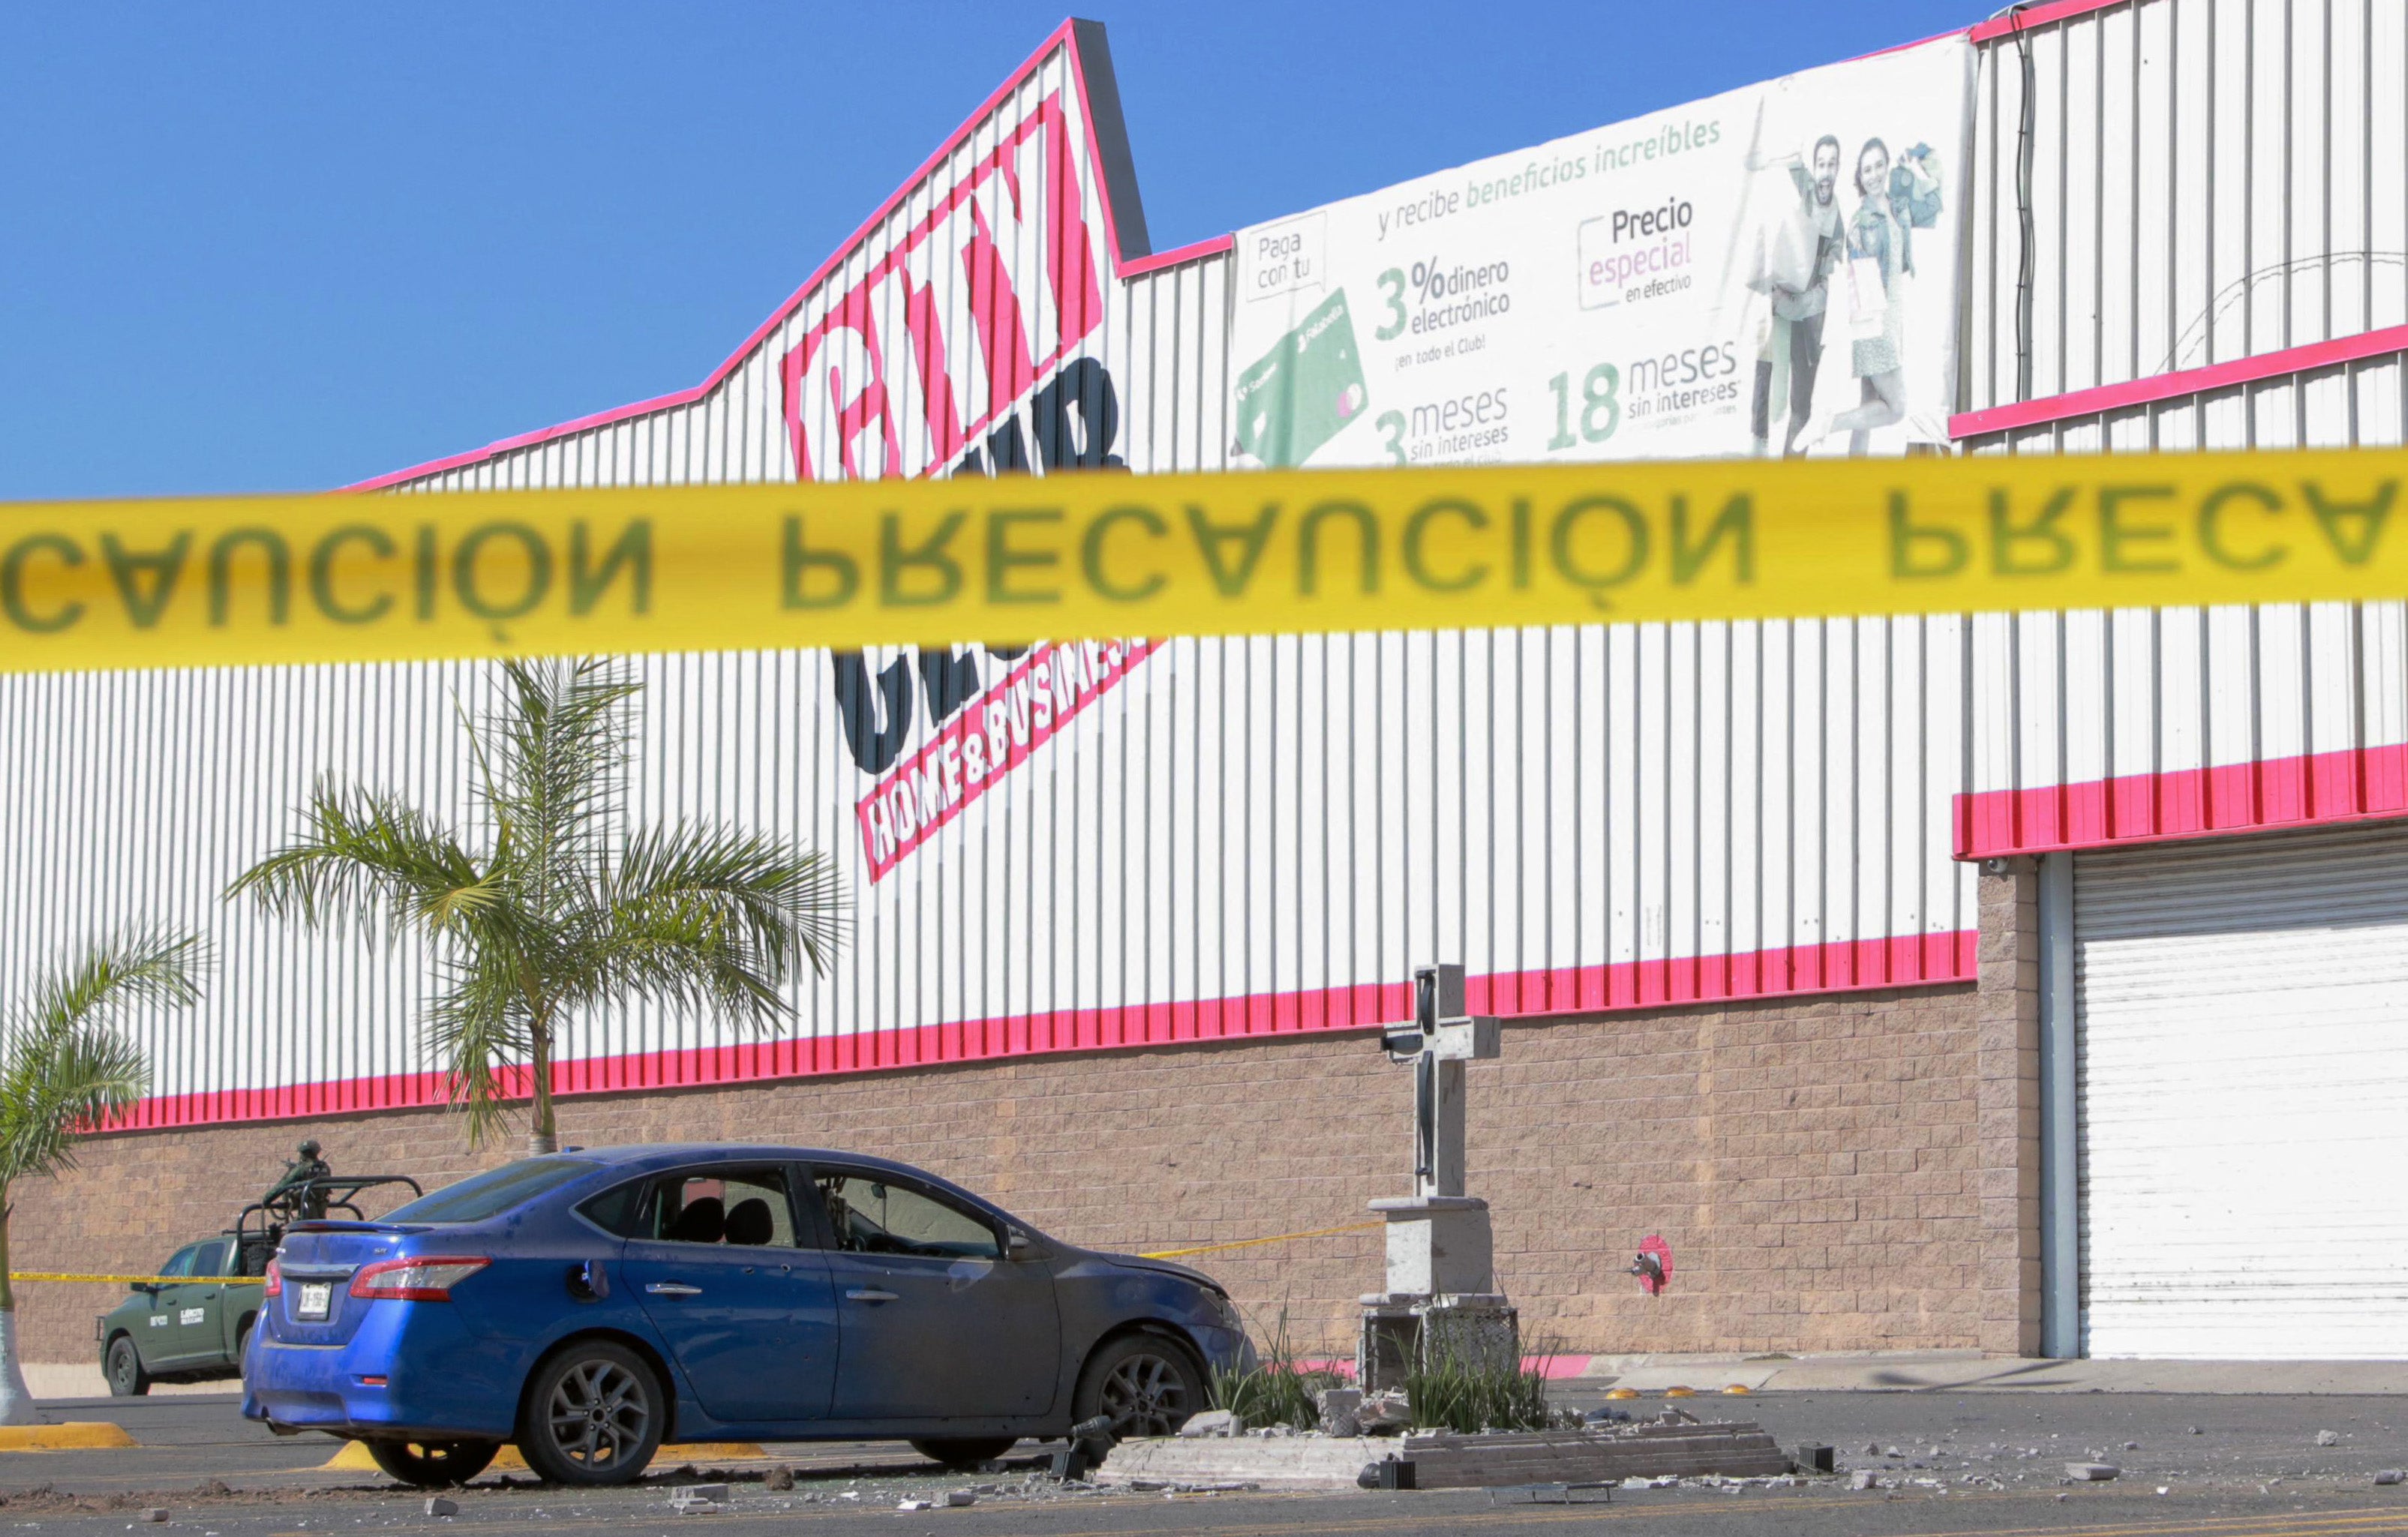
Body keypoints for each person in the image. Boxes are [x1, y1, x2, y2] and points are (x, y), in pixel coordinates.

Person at [1809, 137, 1943, 455]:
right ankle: (1828, 423)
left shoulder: (1899, 208)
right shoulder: (1862, 222)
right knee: (1895, 408)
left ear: (1887, 167)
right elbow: (1864, 280)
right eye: (1866, 170)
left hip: (1893, 315)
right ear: (1859, 175)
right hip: (1875, 319)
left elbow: (1934, 206)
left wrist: (1915, 169)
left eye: (1879, 166)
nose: (1873, 175)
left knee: (1869, 408)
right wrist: (1872, 333)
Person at [1747, 135, 1845, 457]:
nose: (1826, 172)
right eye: (1822, 164)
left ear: (1838, 169)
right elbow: (1786, 158)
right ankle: (1757, 443)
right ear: (1814, 168)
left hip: (1807, 313)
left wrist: (1792, 304)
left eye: (1832, 164)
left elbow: (1827, 284)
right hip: (1781, 300)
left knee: (1801, 402)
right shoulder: (1805, 189)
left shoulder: (1838, 220)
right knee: (1765, 365)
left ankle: (1791, 467)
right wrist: (1759, 161)